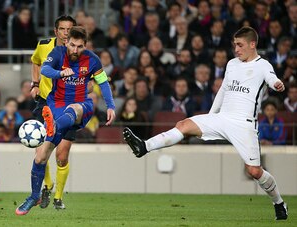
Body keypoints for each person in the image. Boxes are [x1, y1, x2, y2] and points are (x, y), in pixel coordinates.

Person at [123, 26, 288, 221]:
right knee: (183, 124)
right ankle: (144, 146)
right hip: (221, 118)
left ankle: (278, 202)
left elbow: (270, 77)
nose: (236, 49)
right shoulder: (232, 64)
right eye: (235, 45)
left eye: (240, 45)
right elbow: (223, 91)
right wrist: (211, 117)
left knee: (253, 171)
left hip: (244, 124)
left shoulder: (263, 65)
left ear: (253, 44)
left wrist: (276, 83)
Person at [16, 26, 116, 215]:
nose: (75, 50)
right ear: (66, 42)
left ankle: (53, 126)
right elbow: (44, 69)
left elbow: (102, 82)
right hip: (56, 106)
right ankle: (34, 196)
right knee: (40, 157)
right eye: (72, 45)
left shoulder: (92, 59)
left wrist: (110, 106)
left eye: (79, 46)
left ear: (85, 45)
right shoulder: (58, 53)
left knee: (74, 109)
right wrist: (60, 73)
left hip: (81, 106)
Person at [29, 15, 76, 210]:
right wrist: (35, 84)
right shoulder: (44, 45)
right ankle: (47, 185)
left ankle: (58, 197)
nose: (66, 33)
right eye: (63, 29)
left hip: (68, 105)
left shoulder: (78, 52)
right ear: (56, 31)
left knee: (62, 155)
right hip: (45, 103)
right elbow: (35, 61)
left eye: (69, 29)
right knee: (41, 150)